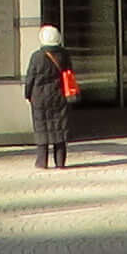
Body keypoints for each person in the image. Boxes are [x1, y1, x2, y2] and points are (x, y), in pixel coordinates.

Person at [22, 23, 76, 168]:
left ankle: (42, 161)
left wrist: (27, 94)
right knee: (60, 127)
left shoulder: (36, 57)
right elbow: (69, 73)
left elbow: (30, 78)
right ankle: (60, 161)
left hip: (39, 98)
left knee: (42, 128)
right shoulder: (64, 55)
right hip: (59, 96)